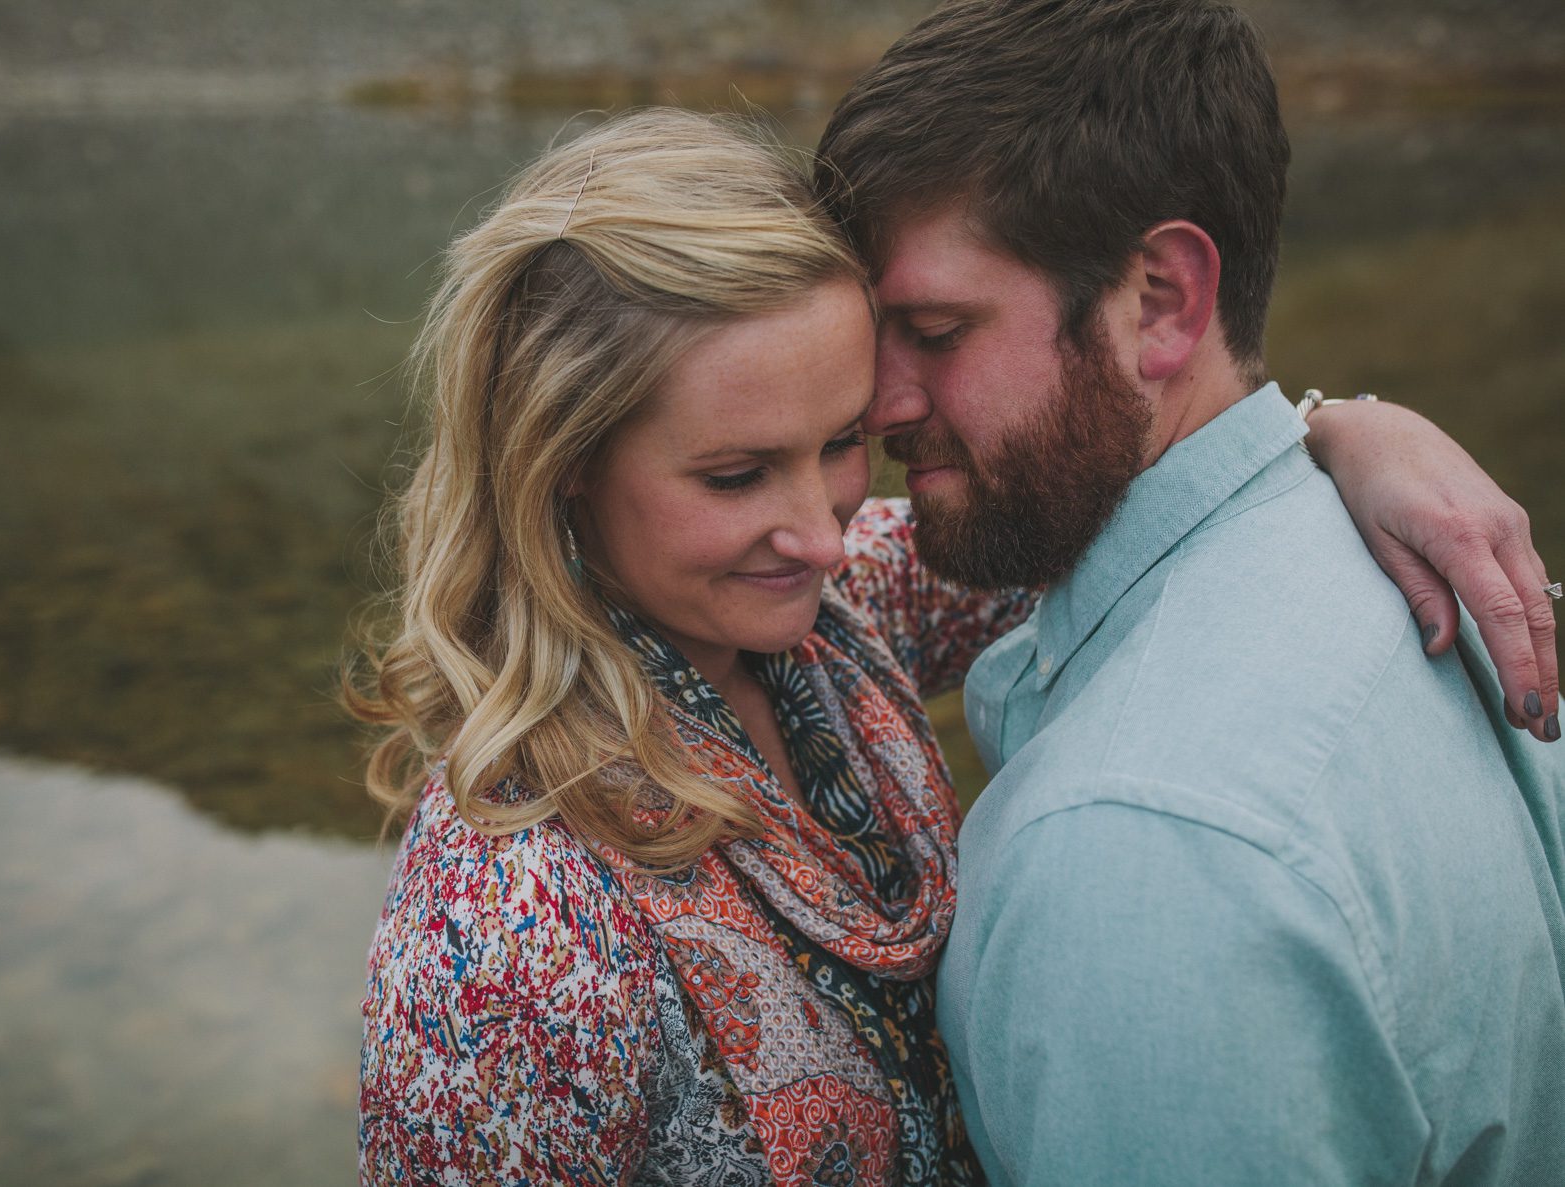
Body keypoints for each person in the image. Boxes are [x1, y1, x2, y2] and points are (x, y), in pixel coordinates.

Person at [350, 110, 1553, 1185]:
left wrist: (1341, 429)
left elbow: (1095, 500)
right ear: (558, 470)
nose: (818, 529)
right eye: (733, 474)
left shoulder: (827, 612)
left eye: (838, 442)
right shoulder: (508, 936)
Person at [813, 1, 1565, 1183]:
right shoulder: (1408, 578)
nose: (877, 404)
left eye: (935, 329)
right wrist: (1335, 420)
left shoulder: (1133, 852)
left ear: (1160, 300)